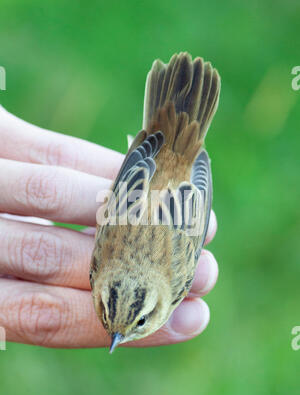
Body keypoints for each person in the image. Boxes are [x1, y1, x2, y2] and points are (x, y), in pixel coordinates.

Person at [0, 105, 218, 349]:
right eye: (141, 321)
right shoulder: (111, 272)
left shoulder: (175, 282)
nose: (116, 336)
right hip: (146, 175)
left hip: (181, 189)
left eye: (105, 317)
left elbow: (194, 225)